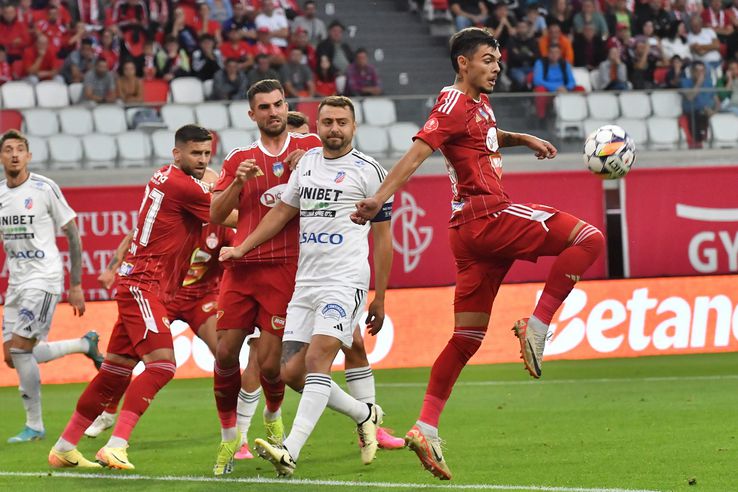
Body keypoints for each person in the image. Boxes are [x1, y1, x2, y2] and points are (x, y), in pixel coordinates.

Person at [350, 28, 604, 480]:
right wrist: (381, 200)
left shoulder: (477, 106)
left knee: (466, 337)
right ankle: (537, 326)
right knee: (589, 239)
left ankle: (426, 426)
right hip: (488, 216)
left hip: (466, 235)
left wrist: (521, 137)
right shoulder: (451, 102)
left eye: (499, 60)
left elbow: (483, 135)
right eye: (488, 59)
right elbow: (417, 153)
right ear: (463, 63)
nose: (497, 66)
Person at [220, 95, 392, 477]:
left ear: (354, 126)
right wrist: (242, 248)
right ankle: (365, 413)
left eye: (341, 122)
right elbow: (282, 212)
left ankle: (289, 450)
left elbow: (383, 239)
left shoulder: (370, 171)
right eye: (327, 121)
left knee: (317, 361)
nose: (334, 128)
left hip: (344, 280)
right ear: (318, 125)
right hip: (305, 282)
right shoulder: (309, 163)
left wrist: (381, 295)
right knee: (289, 373)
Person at [48, 125, 214, 470]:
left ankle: (65, 446)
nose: (201, 160)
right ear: (177, 153)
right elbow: (227, 214)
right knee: (163, 365)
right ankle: (116, 445)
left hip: (141, 284)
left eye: (206, 153)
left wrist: (217, 180)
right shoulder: (185, 186)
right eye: (195, 153)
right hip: (145, 285)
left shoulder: (166, 176)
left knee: (114, 373)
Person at [208, 79, 321, 477]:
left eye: (278, 104)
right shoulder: (240, 157)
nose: (273, 112)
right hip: (241, 270)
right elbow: (216, 215)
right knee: (224, 354)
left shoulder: (310, 150)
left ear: (286, 106)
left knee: (272, 367)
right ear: (251, 114)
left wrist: (307, 170)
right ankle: (228, 440)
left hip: (286, 269)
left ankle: (273, 416)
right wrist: (237, 182)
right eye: (264, 107)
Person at [83, 168, 235, 438]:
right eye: (205, 189)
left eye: (214, 191)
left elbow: (236, 254)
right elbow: (134, 236)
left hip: (201, 296)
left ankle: (232, 429)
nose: (208, 194)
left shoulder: (221, 226)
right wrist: (111, 268)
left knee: (224, 354)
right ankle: (108, 412)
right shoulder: (175, 214)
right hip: (163, 294)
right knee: (128, 358)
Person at [0, 130, 99, 443]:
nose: (14, 155)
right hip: (16, 282)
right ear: (1, 157)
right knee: (12, 356)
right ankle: (84, 345)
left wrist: (77, 284)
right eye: (8, 150)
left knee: (20, 348)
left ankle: (35, 426)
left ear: (29, 156)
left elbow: (72, 234)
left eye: (20, 149)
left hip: (44, 278)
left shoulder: (44, 188)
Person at [681, 60, 720, 147]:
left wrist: (713, 111)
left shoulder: (709, 83)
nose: (700, 73)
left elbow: (717, 102)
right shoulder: (685, 82)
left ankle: (706, 139)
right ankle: (698, 141)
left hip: (707, 111)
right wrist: (699, 83)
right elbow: (690, 97)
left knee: (705, 115)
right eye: (697, 70)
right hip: (692, 111)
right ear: (692, 71)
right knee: (696, 116)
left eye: (702, 70)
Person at [506, 20, 540, 91]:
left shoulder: (532, 41)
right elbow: (514, 58)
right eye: (520, 27)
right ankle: (520, 100)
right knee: (521, 80)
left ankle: (531, 100)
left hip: (531, 67)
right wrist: (529, 54)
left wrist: (520, 54)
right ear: (517, 29)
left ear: (527, 28)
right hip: (516, 68)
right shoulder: (512, 41)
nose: (522, 29)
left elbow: (537, 57)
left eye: (524, 27)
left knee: (537, 79)